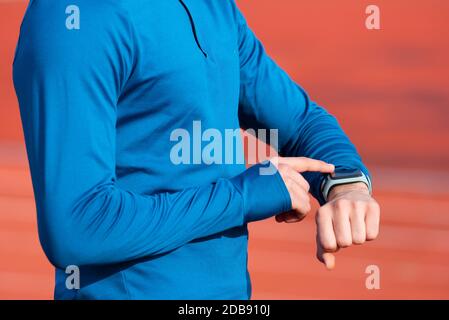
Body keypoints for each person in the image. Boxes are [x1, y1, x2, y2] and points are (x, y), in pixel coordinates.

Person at [13, 0, 380, 299]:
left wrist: (345, 184)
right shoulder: (74, 18)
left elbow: (299, 121)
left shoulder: (212, 6)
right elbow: (77, 226)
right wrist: (245, 194)